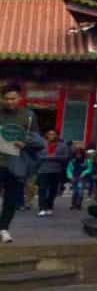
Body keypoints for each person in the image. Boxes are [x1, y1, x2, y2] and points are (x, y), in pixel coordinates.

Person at [0, 83, 43, 243]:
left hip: (15, 163)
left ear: (20, 98)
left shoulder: (29, 116)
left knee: (11, 199)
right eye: (6, 99)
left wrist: (25, 143)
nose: (10, 102)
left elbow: (36, 139)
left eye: (13, 98)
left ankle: (4, 228)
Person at [35, 129, 70, 217]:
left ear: (56, 135)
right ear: (46, 135)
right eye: (49, 134)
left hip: (56, 171)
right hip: (43, 170)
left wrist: (54, 157)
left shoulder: (63, 146)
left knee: (53, 190)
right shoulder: (41, 144)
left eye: (53, 134)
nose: (51, 136)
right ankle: (42, 208)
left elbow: (65, 157)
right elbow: (37, 156)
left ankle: (49, 206)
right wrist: (48, 157)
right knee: (42, 189)